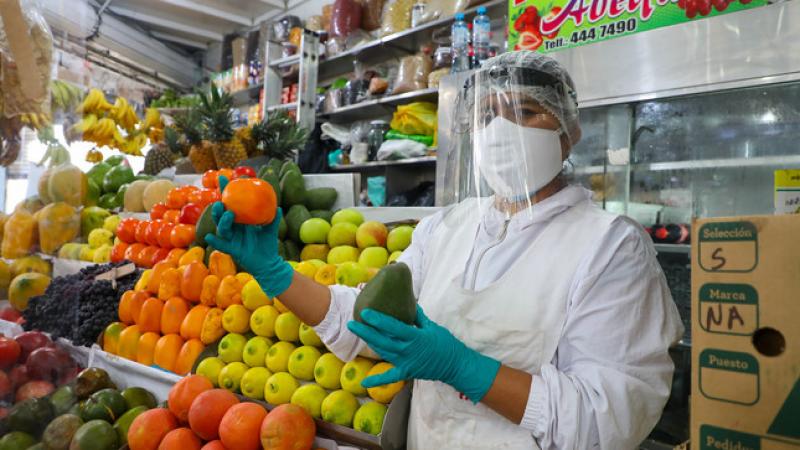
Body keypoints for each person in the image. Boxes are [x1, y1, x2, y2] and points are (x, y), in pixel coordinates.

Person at [206, 51, 684, 449]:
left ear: (569, 131)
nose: (501, 130)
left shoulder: (609, 248)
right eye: (486, 116)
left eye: (525, 111)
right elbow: (372, 325)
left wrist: (463, 368)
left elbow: (608, 421)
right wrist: (276, 274)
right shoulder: (448, 228)